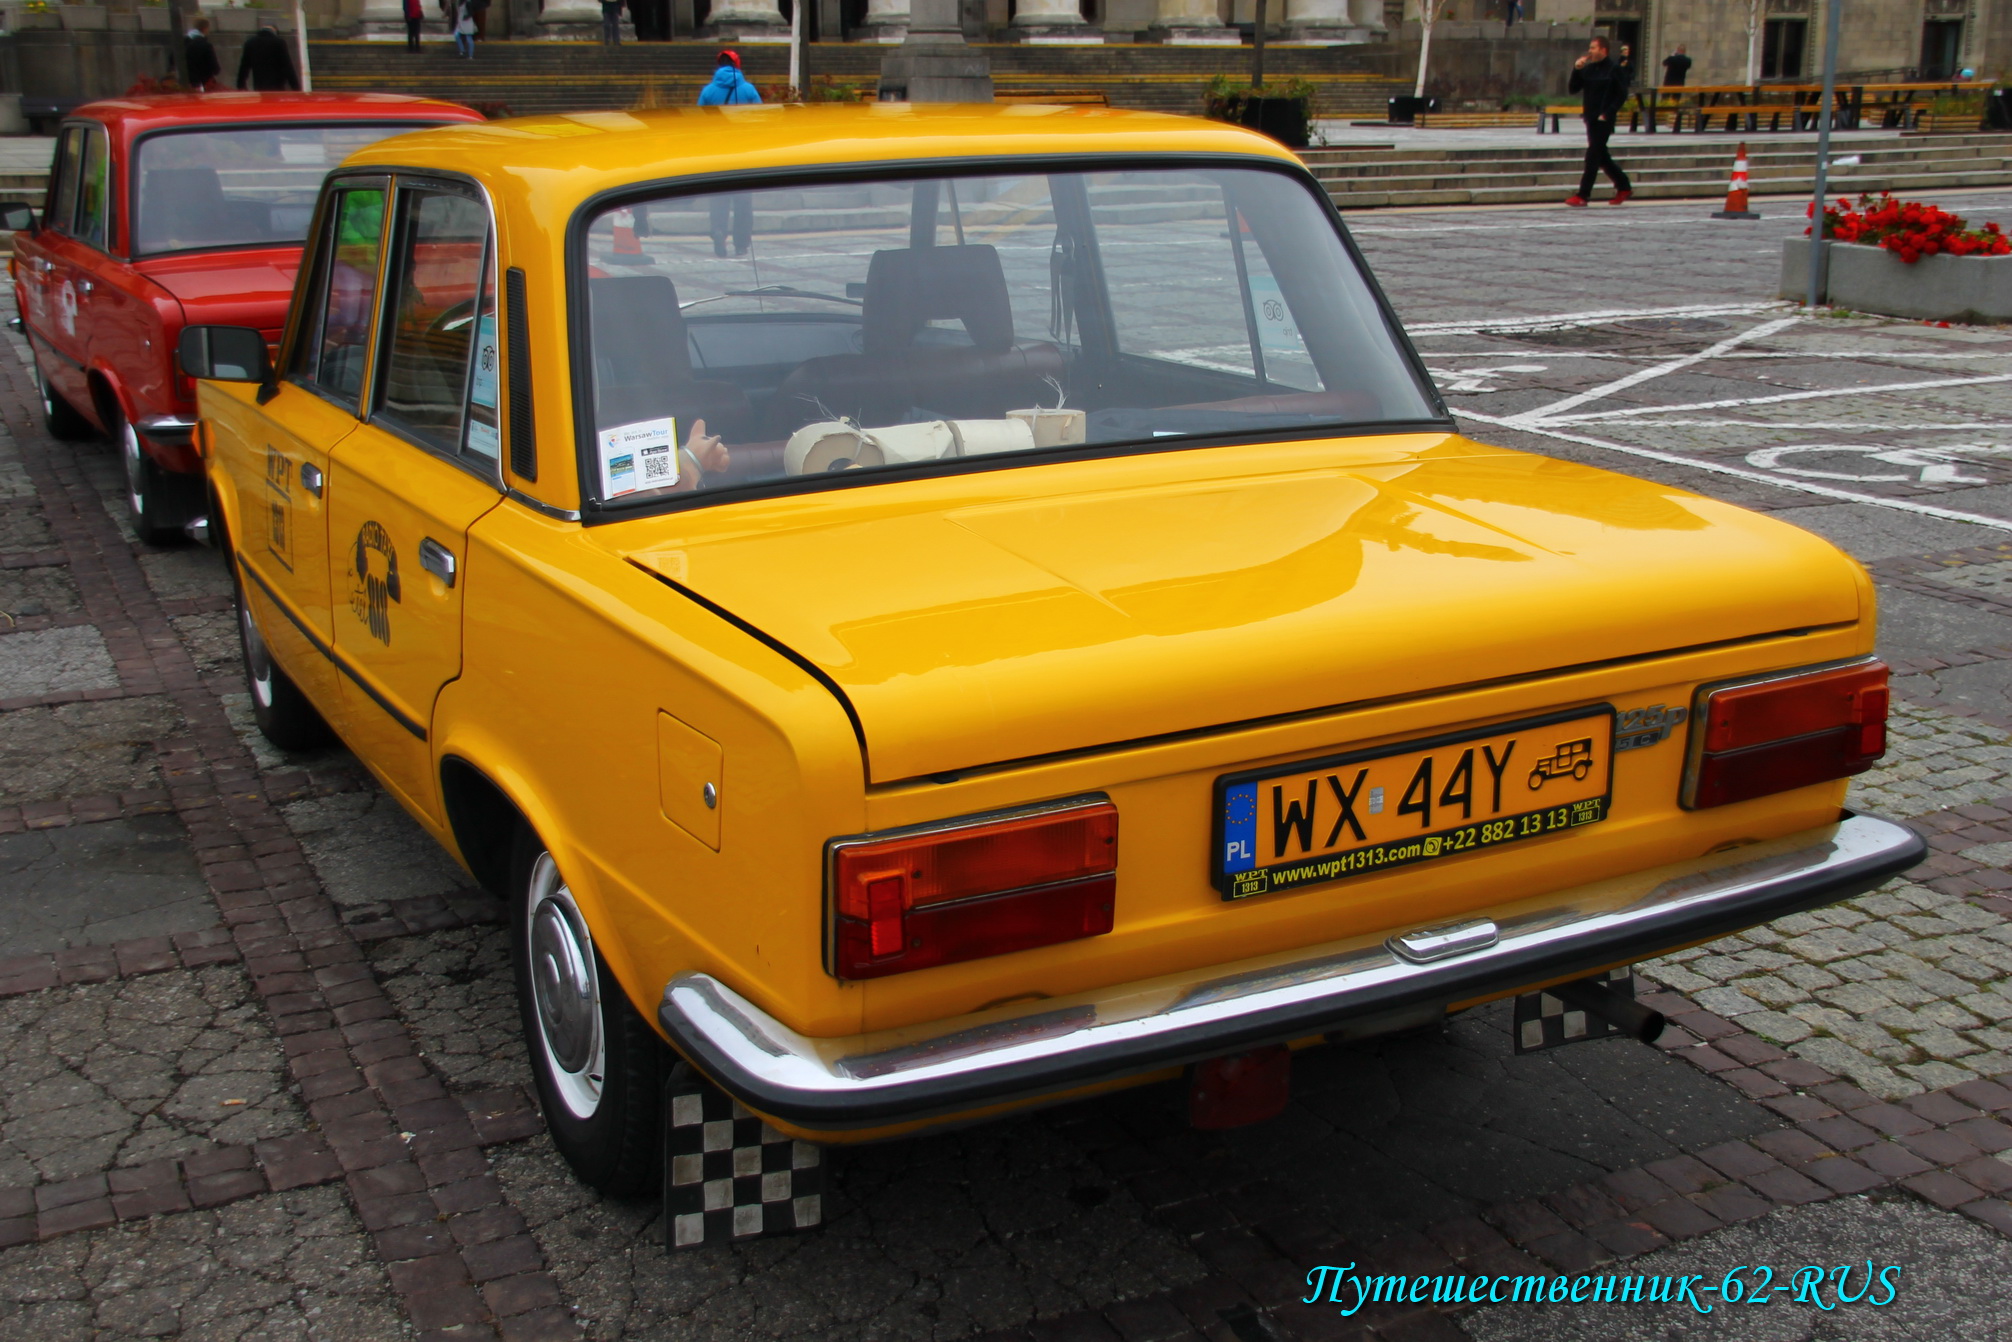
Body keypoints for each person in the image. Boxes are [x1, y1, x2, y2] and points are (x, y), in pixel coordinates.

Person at [1565, 36, 1632, 206]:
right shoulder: (1589, 70)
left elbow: (1621, 94)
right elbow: (1573, 89)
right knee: (1601, 156)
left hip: (1604, 119)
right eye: (1590, 47)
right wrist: (1577, 69)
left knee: (1593, 155)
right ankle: (1624, 186)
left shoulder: (1614, 69)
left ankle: (1583, 195)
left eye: (1593, 48)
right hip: (1591, 118)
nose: (1590, 51)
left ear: (1603, 50)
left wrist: (1608, 113)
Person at [236, 23, 299, 91]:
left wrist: (241, 85)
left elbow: (244, 67)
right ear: (275, 31)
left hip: (259, 85)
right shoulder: (279, 42)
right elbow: (287, 66)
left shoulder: (250, 43)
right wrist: (295, 87)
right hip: (277, 86)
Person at [698, 49, 762, 106]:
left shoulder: (707, 91)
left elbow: (699, 116)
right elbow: (759, 114)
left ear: (719, 64)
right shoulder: (749, 89)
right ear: (737, 64)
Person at [184, 17, 221, 91]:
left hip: (183, 83)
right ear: (205, 28)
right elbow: (215, 67)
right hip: (200, 83)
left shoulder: (182, 42)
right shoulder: (205, 45)